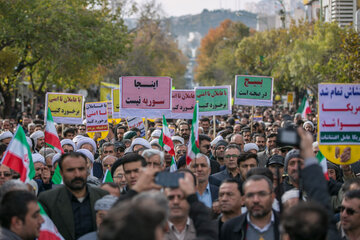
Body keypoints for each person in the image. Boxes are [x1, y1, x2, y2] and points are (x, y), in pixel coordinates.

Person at [38, 152, 108, 240]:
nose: (77, 174)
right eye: (71, 170)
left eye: (81, 169)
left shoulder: (102, 195)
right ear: (61, 173)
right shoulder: (48, 200)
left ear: (87, 171)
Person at [221, 175, 280, 240]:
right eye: (250, 195)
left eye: (262, 194)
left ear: (272, 197)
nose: (256, 200)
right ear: (243, 199)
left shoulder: (288, 224)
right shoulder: (230, 228)